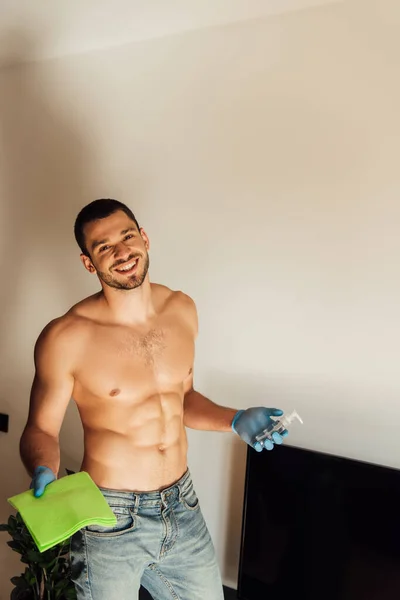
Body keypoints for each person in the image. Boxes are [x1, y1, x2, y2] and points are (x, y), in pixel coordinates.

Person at [19, 199, 287, 600]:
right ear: (89, 263)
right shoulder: (66, 337)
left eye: (127, 236)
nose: (122, 252)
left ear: (144, 238)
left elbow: (183, 398)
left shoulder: (181, 310)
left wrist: (235, 419)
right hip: (109, 518)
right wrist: (43, 466)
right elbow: (41, 428)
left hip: (182, 504)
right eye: (104, 247)